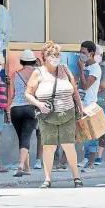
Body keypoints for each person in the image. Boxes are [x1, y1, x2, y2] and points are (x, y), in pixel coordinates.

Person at [25, 41, 86, 188]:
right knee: (49, 147)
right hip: (47, 116)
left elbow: (75, 90)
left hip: (67, 114)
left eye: (57, 55)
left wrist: (81, 108)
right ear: (45, 57)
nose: (55, 58)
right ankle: (47, 179)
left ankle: (76, 177)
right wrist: (39, 104)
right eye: (52, 55)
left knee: (68, 145)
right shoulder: (37, 73)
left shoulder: (65, 69)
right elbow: (28, 93)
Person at [8, 49, 38, 177]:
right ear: (33, 61)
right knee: (26, 137)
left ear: (21, 61)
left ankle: (27, 168)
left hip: (16, 108)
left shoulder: (15, 75)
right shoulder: (37, 74)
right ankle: (21, 165)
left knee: (22, 137)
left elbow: (11, 95)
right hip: (31, 107)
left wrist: (8, 110)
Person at [76, 41, 102, 172]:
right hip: (80, 104)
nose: (81, 55)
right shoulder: (84, 66)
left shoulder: (95, 68)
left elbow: (86, 85)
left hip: (90, 104)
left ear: (91, 53)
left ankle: (91, 163)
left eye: (84, 53)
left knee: (92, 136)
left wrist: (81, 69)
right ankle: (63, 162)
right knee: (76, 134)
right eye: (80, 52)